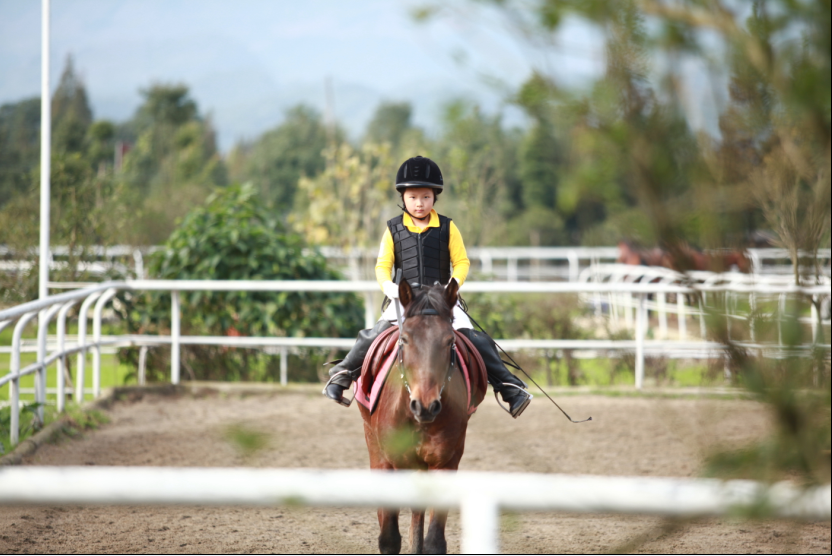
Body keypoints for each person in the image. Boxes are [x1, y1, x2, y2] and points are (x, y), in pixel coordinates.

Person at [324, 155, 531, 417]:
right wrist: (390, 288)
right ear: (403, 198)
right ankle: (341, 375)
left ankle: (509, 387)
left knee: (474, 338)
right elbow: (381, 266)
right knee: (375, 334)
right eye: (413, 197)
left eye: (425, 197)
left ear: (434, 197)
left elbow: (462, 261)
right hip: (407, 299)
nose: (419, 203)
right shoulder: (393, 229)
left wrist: (452, 288)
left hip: (439, 299)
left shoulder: (448, 227)